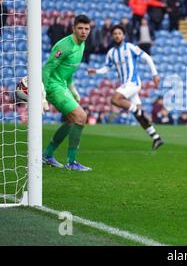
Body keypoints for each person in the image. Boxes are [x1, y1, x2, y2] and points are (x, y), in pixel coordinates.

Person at [87, 25, 164, 150]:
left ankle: (136, 110)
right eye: (115, 33)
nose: (117, 35)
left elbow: (148, 58)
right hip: (126, 85)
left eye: (119, 33)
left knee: (115, 99)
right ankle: (156, 138)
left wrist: (155, 75)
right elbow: (107, 68)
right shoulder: (111, 52)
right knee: (139, 116)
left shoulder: (130, 48)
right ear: (112, 36)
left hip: (133, 83)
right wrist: (95, 71)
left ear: (123, 35)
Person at [42, 15, 92, 171]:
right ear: (74, 28)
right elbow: (47, 69)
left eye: (86, 29)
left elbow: (68, 70)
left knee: (72, 121)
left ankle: (47, 155)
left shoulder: (82, 45)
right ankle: (71, 162)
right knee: (81, 117)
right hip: (53, 86)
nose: (84, 32)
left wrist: (73, 88)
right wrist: (42, 93)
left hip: (62, 85)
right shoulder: (64, 46)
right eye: (80, 28)